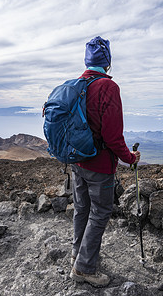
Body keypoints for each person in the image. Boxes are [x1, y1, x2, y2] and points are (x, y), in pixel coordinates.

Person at [69, 36, 140, 287]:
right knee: (100, 213)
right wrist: (129, 158)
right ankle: (85, 268)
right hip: (99, 166)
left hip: (77, 162)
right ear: (107, 61)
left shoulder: (77, 85)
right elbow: (112, 136)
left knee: (82, 209)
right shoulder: (108, 88)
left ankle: (78, 256)